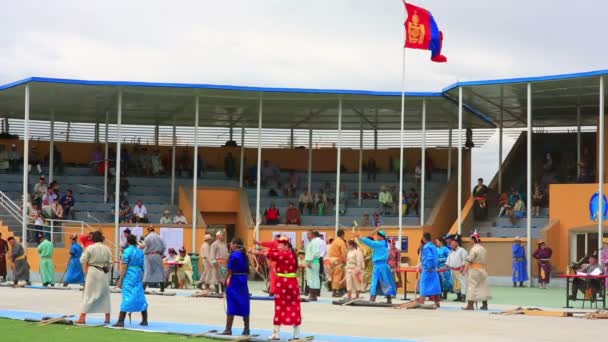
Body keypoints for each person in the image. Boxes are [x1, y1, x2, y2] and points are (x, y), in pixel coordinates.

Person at [263, 237, 302, 341]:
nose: (278, 247)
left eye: (280, 245)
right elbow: (273, 253)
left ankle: (276, 334)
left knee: (279, 307)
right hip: (292, 283)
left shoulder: (285, 254)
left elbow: (271, 254)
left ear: (286, 246)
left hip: (283, 284)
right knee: (295, 306)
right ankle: (296, 334)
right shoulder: (291, 254)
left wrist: (257, 251)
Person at [113, 234, 149, 327]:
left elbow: (124, 268)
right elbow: (143, 265)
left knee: (127, 296)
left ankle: (121, 320)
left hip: (129, 275)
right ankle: (144, 320)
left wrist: (120, 280)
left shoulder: (126, 252)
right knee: (140, 295)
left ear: (127, 242)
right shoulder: (140, 252)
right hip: (138, 275)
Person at [77, 231, 112, 324]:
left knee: (88, 294)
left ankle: (82, 318)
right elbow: (110, 263)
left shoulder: (90, 248)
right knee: (105, 295)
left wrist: (86, 271)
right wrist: (107, 269)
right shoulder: (107, 249)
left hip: (92, 271)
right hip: (103, 273)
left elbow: (82, 260)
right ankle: (107, 318)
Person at [220, 237, 250, 336]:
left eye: (231, 244)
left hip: (235, 281)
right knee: (244, 303)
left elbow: (230, 270)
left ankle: (228, 329)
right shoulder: (244, 254)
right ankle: (247, 329)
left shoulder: (234, 255)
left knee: (231, 303)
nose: (230, 245)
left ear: (236, 244)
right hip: (243, 280)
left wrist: (225, 279)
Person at [356, 229, 396, 304]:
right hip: (381, 266)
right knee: (381, 282)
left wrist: (360, 238)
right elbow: (371, 243)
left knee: (380, 283)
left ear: (381, 237)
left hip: (380, 266)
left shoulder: (380, 244)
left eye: (378, 235)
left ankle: (374, 299)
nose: (377, 237)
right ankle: (384, 299)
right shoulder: (384, 243)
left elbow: (371, 243)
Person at [463, 232, 491, 310]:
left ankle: (470, 305)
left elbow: (469, 260)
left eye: (470, 239)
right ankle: (485, 305)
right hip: (482, 270)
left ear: (474, 240)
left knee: (472, 286)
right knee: (483, 287)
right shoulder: (483, 249)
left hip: (474, 270)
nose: (469, 241)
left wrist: (465, 269)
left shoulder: (474, 249)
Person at [415, 233, 442, 307]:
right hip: (434, 269)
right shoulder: (433, 246)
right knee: (435, 285)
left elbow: (429, 257)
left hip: (428, 269)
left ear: (424, 238)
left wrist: (429, 266)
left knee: (423, 284)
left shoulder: (426, 247)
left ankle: (421, 300)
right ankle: (437, 302)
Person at [143, 226, 167, 292]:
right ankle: (162, 288)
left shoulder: (147, 238)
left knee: (147, 271)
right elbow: (164, 247)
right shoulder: (160, 237)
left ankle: (143, 288)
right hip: (157, 255)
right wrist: (161, 254)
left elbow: (143, 246)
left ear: (148, 230)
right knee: (160, 271)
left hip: (148, 256)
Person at [445, 234, 468, 302]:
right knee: (455, 283)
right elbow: (448, 260)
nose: (451, 244)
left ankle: (463, 296)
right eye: (451, 242)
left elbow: (465, 260)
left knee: (462, 283)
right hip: (453, 270)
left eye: (452, 242)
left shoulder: (462, 250)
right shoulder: (451, 251)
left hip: (460, 270)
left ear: (457, 243)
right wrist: (446, 266)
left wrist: (462, 267)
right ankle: (458, 296)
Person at [327, 229, 347, 297]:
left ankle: (337, 290)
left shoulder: (334, 241)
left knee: (334, 275)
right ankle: (336, 291)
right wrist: (345, 261)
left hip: (331, 260)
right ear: (342, 235)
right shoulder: (341, 242)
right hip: (338, 260)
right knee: (338, 276)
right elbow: (344, 253)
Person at [304, 230, 322, 301]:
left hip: (312, 261)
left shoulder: (315, 241)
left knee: (313, 278)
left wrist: (310, 262)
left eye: (308, 234)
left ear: (313, 235)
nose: (307, 236)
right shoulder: (312, 242)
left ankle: (313, 295)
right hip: (311, 261)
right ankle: (312, 295)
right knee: (311, 278)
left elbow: (316, 253)